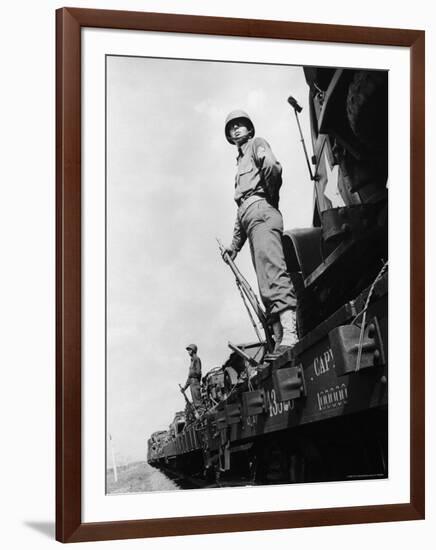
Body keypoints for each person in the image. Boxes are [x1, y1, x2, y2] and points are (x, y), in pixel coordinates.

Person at [222, 110, 298, 354]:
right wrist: (233, 247)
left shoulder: (257, 144)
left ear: (249, 129)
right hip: (251, 218)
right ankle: (278, 340)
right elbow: (241, 210)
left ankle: (291, 335)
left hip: (262, 211)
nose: (235, 129)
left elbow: (272, 169)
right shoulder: (239, 164)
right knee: (265, 281)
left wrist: (268, 199)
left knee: (274, 273)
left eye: (240, 125)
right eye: (231, 127)